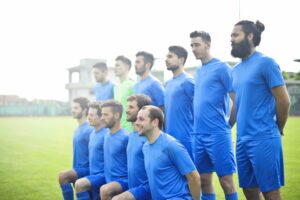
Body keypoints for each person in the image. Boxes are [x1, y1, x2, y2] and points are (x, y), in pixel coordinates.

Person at [230, 20, 290, 200]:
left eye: (235, 35)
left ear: (250, 36)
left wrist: (278, 127)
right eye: (230, 36)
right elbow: (237, 105)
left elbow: (284, 101)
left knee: (271, 193)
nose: (231, 39)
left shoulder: (266, 63)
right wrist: (227, 125)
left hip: (263, 137)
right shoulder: (235, 70)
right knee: (249, 191)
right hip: (242, 140)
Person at [190, 31, 238, 200]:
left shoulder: (222, 67)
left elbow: (236, 98)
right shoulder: (198, 70)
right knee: (203, 180)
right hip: (198, 134)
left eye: (197, 44)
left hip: (218, 134)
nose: (193, 49)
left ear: (208, 44)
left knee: (226, 181)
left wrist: (228, 125)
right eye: (192, 45)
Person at [136, 105, 201, 200]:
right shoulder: (145, 147)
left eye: (141, 119)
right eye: (137, 119)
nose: (136, 123)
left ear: (155, 122)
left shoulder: (171, 145)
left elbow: (194, 177)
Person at [112, 94, 152, 200]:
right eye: (127, 106)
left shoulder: (149, 138)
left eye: (131, 107)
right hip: (133, 188)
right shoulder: (131, 135)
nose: (126, 110)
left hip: (146, 189)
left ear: (141, 112)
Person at [58, 97, 93, 200]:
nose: (73, 110)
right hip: (77, 168)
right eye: (72, 107)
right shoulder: (77, 129)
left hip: (87, 169)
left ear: (85, 110)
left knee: (63, 176)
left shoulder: (89, 130)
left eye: (76, 108)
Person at [74, 102, 109, 200]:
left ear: (101, 117)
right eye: (88, 114)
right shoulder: (92, 133)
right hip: (92, 174)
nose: (88, 117)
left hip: (102, 176)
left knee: (80, 185)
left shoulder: (106, 135)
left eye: (91, 115)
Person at [164, 45, 195, 159]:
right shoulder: (168, 84)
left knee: (190, 176)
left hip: (186, 139)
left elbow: (200, 108)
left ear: (181, 60)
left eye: (170, 56)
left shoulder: (188, 81)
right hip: (169, 139)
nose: (166, 59)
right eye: (166, 56)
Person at [100, 100, 129, 200]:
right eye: (101, 114)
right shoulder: (106, 135)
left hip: (124, 181)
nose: (102, 118)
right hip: (108, 180)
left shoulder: (126, 137)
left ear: (116, 115)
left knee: (105, 190)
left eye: (105, 115)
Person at [114, 55, 135, 132]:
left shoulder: (132, 85)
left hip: (129, 129)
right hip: (118, 129)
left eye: (118, 65)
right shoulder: (116, 87)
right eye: (115, 65)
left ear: (126, 67)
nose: (115, 68)